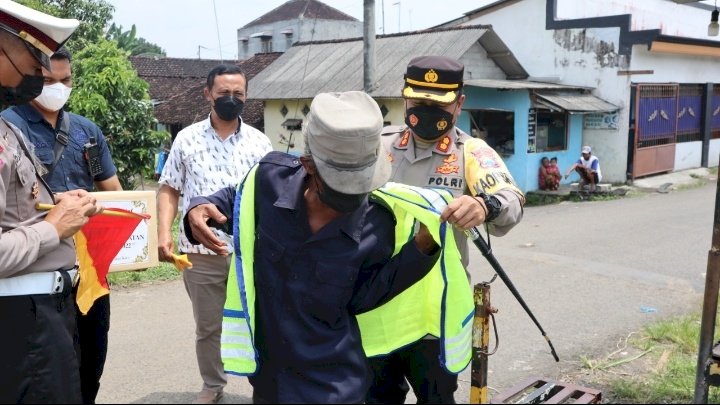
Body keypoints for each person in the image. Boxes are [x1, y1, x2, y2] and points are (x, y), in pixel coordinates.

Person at [185, 91, 446, 403]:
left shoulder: (378, 223)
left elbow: (366, 296)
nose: (352, 196)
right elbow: (233, 202)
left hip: (334, 385)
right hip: (270, 381)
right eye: (341, 185)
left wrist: (422, 248)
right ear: (308, 165)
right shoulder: (268, 181)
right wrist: (199, 208)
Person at [367, 55, 525, 404]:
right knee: (377, 397)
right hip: (376, 303)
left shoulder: (470, 152)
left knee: (437, 398)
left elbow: (511, 199)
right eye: (420, 102)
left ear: (459, 103)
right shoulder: (378, 145)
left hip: (434, 314)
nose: (427, 111)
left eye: (439, 104)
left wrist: (485, 205)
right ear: (405, 97)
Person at [1, 45, 122, 404]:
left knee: (87, 363)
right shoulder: (13, 123)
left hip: (82, 266)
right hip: (28, 286)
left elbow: (113, 191)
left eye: (65, 80)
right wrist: (55, 225)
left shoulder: (86, 130)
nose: (57, 87)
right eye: (47, 79)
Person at [157, 64, 273, 404]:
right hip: (200, 254)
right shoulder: (186, 139)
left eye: (238, 94)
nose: (231, 99)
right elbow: (169, 189)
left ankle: (263, 387)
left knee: (258, 323)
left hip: (249, 254)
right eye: (224, 93)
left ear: (246, 97)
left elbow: (270, 195)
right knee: (208, 326)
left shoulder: (260, 142)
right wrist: (163, 234)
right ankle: (212, 384)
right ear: (208, 94)